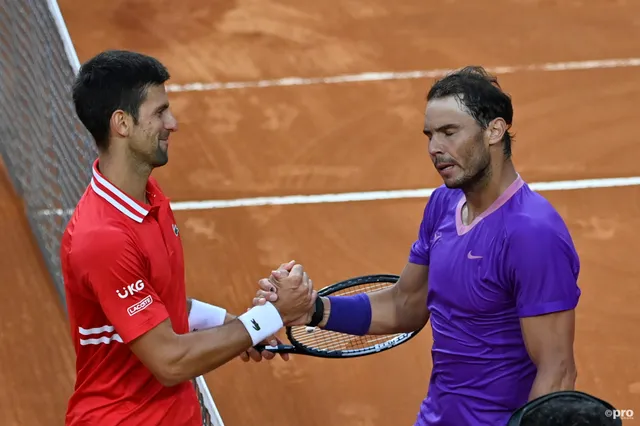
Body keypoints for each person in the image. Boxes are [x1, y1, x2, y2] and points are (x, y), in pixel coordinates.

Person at [254, 66, 582, 425]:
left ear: (494, 130)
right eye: (429, 135)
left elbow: (557, 371)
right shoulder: (444, 204)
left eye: (449, 133)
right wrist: (312, 310)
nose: (434, 149)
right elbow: (405, 303)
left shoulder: (532, 234)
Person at [60, 49, 316, 426]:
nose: (173, 123)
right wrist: (269, 316)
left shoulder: (150, 198)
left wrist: (235, 324)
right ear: (122, 124)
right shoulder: (103, 237)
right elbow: (169, 360)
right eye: (159, 112)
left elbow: (164, 303)